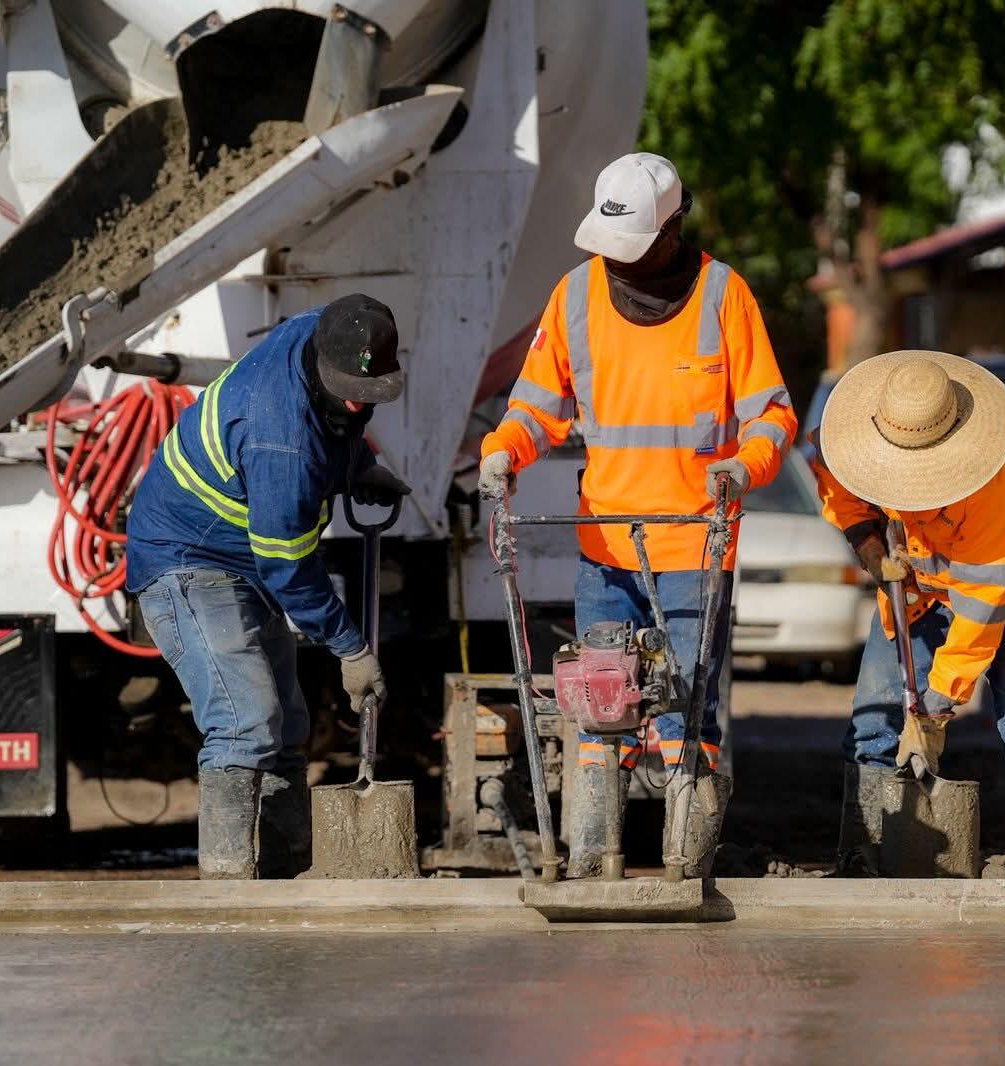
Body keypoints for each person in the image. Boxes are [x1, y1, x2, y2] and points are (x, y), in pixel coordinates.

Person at [477, 153, 797, 877]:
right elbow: (536, 406)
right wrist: (505, 450)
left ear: (673, 226)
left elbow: (771, 415)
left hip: (692, 546)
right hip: (606, 547)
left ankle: (688, 861)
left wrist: (743, 467)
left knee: (685, 712)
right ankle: (594, 858)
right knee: (601, 705)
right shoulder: (576, 297)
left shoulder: (724, 295)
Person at [126, 295, 411, 879]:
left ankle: (286, 872)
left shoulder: (319, 330)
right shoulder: (279, 440)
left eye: (371, 392)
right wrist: (351, 649)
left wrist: (355, 464)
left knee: (286, 723)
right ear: (322, 366)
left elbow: (337, 418)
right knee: (245, 719)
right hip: (188, 560)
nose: (360, 403)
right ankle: (228, 887)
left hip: (243, 554)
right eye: (350, 392)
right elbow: (288, 567)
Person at [810, 351, 1005, 878]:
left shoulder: (992, 485)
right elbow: (832, 472)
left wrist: (934, 707)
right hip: (915, 585)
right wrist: (869, 545)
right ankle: (861, 850)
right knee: (873, 715)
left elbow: (979, 613)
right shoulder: (856, 436)